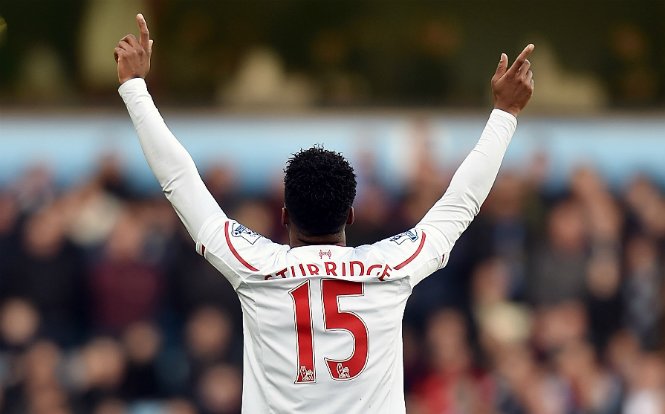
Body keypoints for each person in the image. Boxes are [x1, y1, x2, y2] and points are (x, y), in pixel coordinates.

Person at [114, 14, 534, 414]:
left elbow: (180, 181)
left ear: (284, 215)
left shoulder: (255, 267)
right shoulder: (390, 268)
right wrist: (505, 113)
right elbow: (462, 200)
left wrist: (134, 87)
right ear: (350, 215)